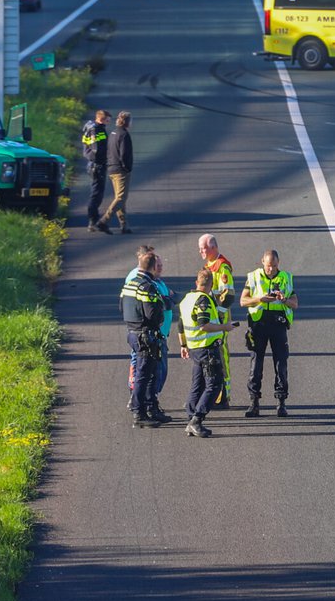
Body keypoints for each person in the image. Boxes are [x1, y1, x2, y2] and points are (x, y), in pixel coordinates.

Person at [177, 268, 241, 438]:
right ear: (211, 284)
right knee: (214, 384)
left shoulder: (187, 299)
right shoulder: (203, 300)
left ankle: (191, 417)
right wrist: (225, 327)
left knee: (197, 384)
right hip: (207, 348)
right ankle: (196, 420)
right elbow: (203, 324)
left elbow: (181, 324)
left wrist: (183, 344)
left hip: (194, 348)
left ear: (196, 282)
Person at [240, 249, 297, 418]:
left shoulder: (286, 278)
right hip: (259, 324)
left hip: (278, 324)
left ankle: (281, 402)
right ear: (262, 262)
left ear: (278, 263)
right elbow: (243, 301)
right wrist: (260, 299)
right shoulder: (254, 277)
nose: (270, 269)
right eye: (268, 265)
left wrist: (284, 300)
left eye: (274, 265)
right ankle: (254, 402)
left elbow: (295, 303)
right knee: (256, 364)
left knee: (281, 363)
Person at [124, 247, 175, 418]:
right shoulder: (147, 287)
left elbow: (122, 307)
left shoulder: (131, 284)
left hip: (133, 332)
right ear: (152, 268)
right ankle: (141, 411)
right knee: (147, 375)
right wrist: (161, 307)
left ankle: (148, 407)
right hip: (146, 335)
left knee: (144, 374)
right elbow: (153, 314)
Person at [198, 233, 235, 407]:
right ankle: (215, 393)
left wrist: (219, 314)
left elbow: (229, 295)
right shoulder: (209, 265)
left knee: (221, 355)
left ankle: (224, 395)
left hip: (220, 320)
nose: (201, 252)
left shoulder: (222, 267)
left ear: (213, 247)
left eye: (203, 248)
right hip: (212, 318)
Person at [99, 111, 134, 234]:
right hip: (120, 170)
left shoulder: (113, 133)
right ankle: (104, 221)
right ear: (127, 122)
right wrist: (127, 167)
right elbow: (124, 154)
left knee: (120, 198)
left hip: (111, 168)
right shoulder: (124, 135)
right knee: (121, 197)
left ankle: (124, 225)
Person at [81, 109, 110, 233]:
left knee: (97, 192)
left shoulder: (92, 127)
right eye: (108, 119)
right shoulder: (96, 130)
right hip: (97, 165)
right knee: (96, 194)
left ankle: (94, 219)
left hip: (93, 164)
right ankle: (93, 220)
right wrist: (104, 159)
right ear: (102, 118)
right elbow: (96, 149)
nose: (109, 121)